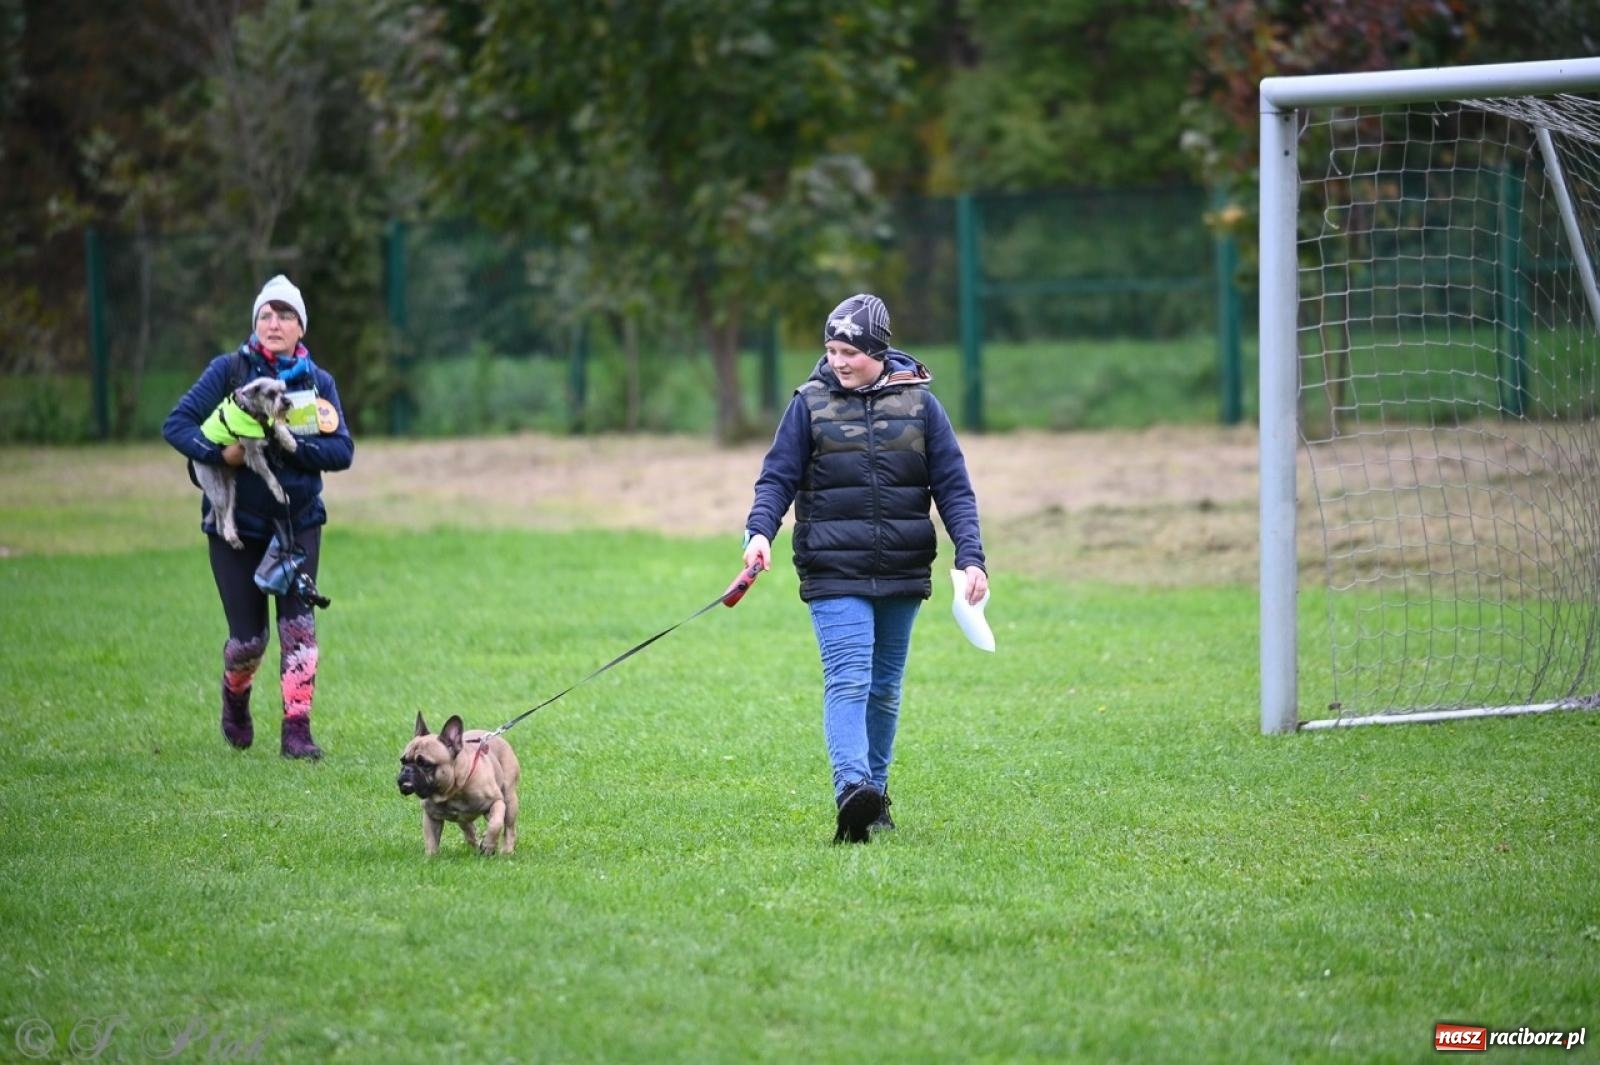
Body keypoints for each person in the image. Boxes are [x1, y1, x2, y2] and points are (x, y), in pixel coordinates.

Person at [742, 293, 988, 843]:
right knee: (849, 678)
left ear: (878, 350)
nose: (839, 361)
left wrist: (971, 556)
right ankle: (852, 787)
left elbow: (953, 488)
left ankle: (874, 800)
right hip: (832, 568)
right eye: (831, 350)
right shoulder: (808, 404)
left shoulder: (922, 407)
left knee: (884, 689)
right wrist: (759, 532)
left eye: (849, 350)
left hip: (902, 567)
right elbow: (776, 477)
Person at [163, 275, 354, 759]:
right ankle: (236, 697)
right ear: (255, 323)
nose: (274, 323)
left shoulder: (317, 382)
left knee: (299, 629)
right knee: (249, 640)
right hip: (236, 527)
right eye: (265, 315)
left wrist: (294, 448)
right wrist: (218, 455)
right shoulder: (228, 371)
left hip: (298, 524)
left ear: (300, 327)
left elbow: (342, 450)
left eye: (285, 314)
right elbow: (176, 424)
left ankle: (297, 731)